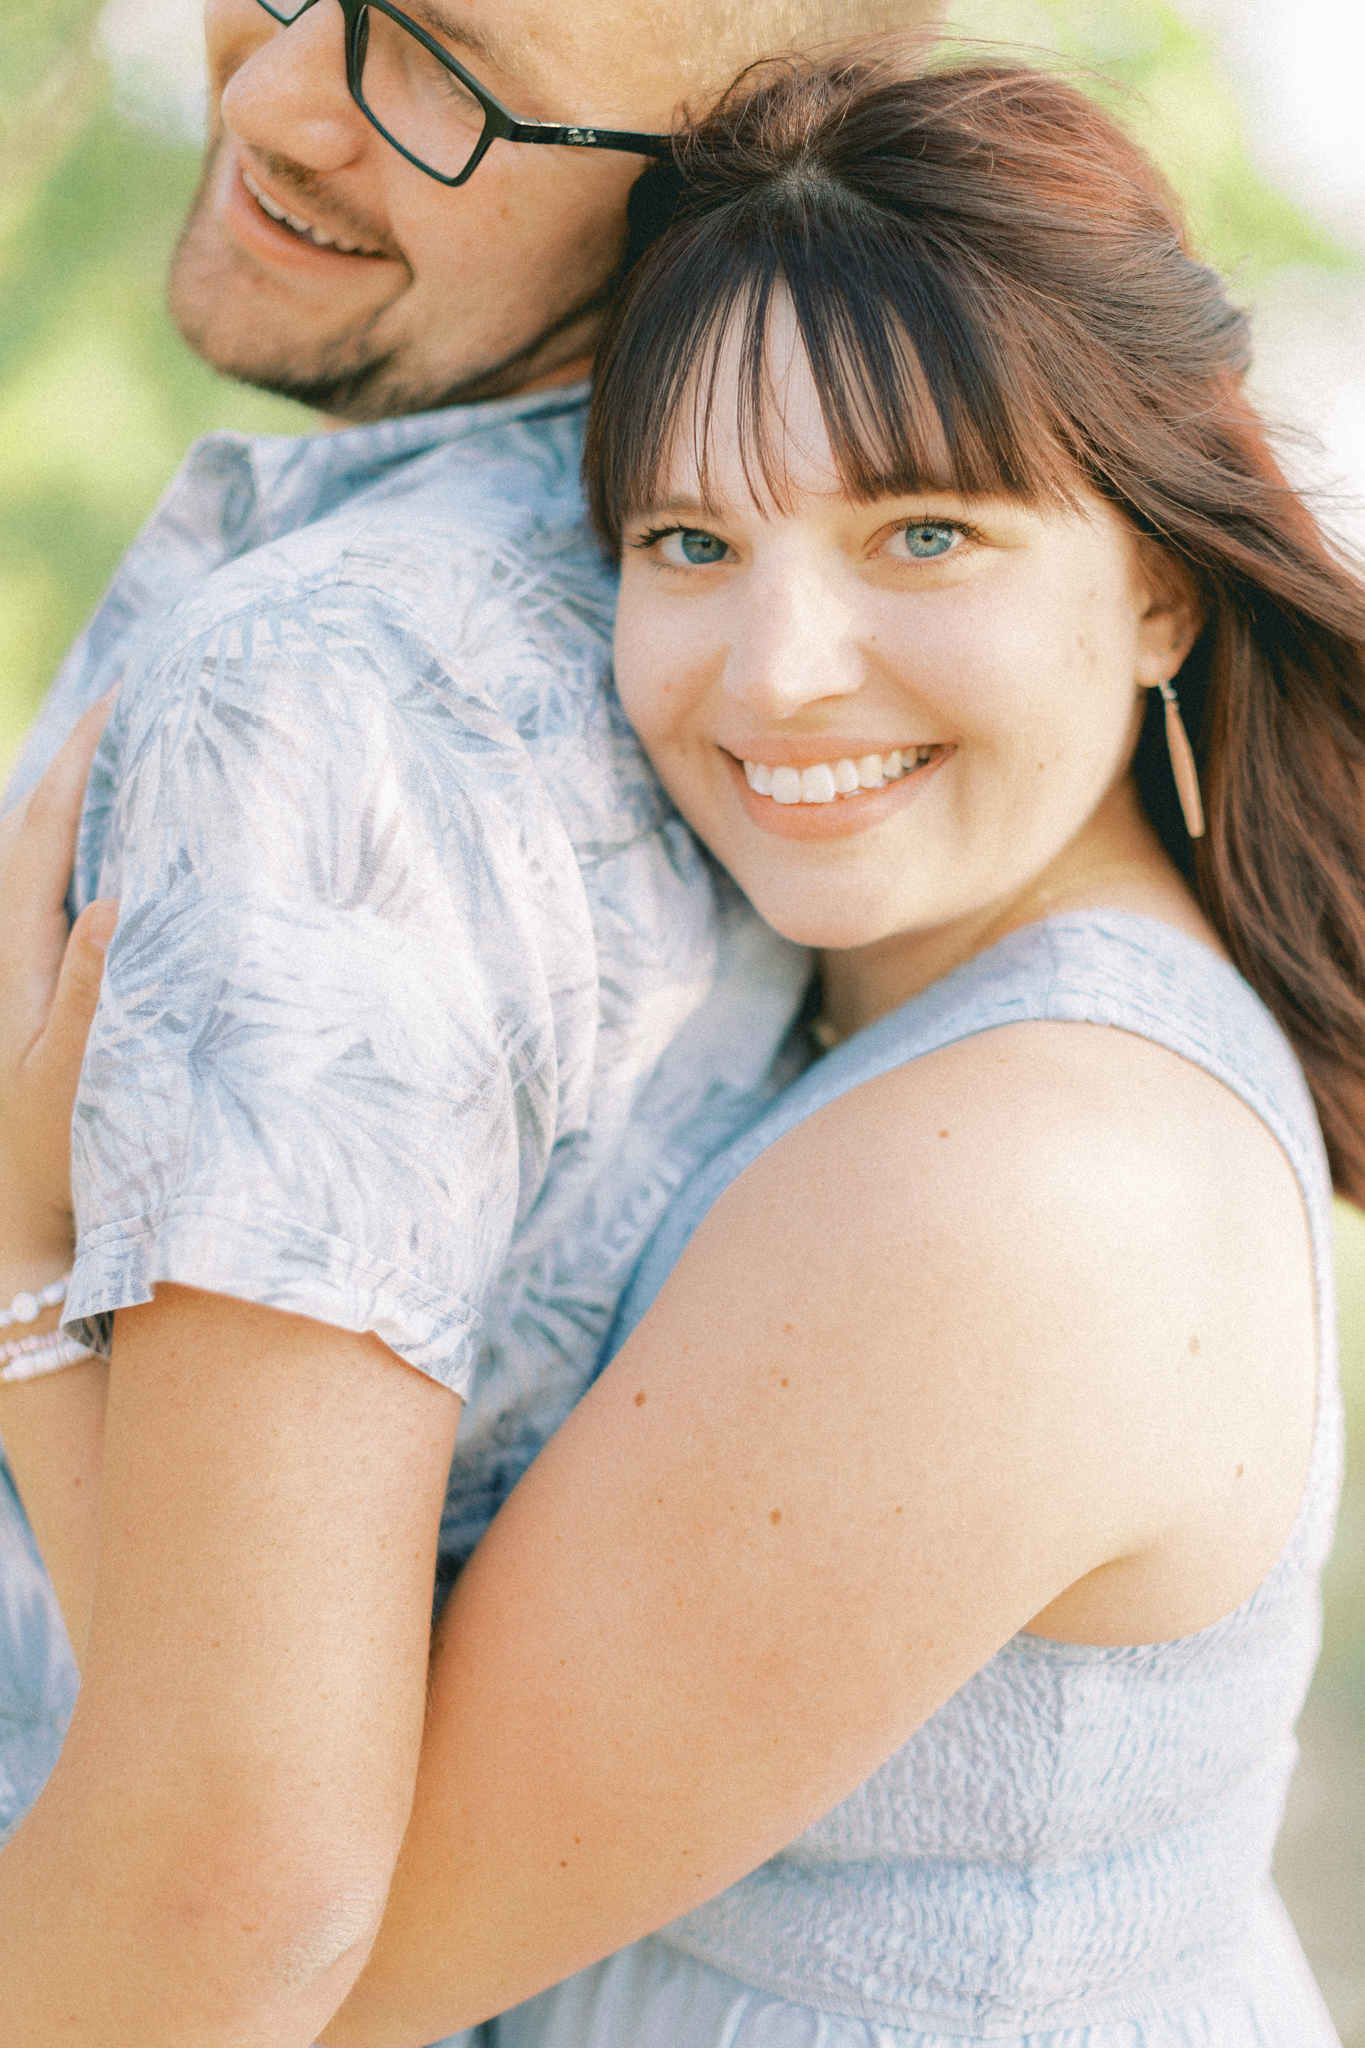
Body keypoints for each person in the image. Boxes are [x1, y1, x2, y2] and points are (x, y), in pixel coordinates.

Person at [4, 48, 1355, 2048]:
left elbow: (299, 1962)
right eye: (688, 544)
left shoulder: (1036, 1189)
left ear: (1153, 578)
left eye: (921, 536)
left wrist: (36, 1282)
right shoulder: (933, 1015)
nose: (779, 672)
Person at [0, 0, 943, 2039]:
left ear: (714, 186)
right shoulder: (735, 664)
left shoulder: (335, 695)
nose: (267, 99)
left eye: (439, 67)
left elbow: (227, 1866)